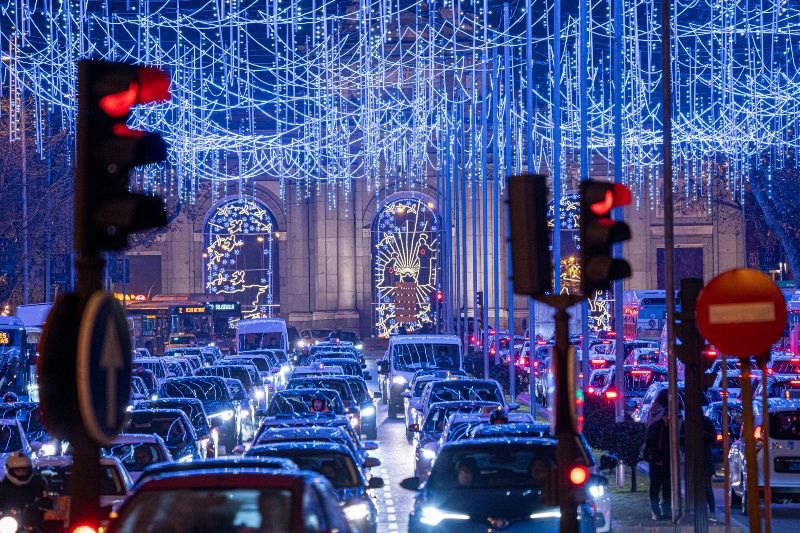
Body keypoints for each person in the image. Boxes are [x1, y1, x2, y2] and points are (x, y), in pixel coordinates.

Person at [645, 407, 672, 520]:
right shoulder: (657, 428)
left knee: (666, 488)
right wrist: (657, 458)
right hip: (657, 462)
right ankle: (656, 511)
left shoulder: (668, 427)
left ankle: (665, 511)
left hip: (665, 462)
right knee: (656, 488)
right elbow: (651, 445)